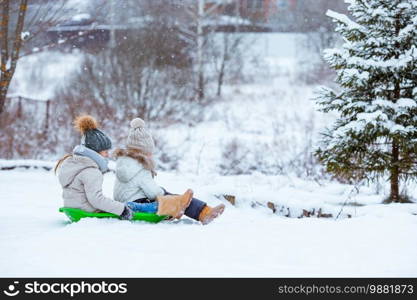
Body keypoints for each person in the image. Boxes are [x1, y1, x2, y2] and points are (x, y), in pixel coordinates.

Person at [55, 115, 189, 220]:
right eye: (105, 151)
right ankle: (174, 207)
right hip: (87, 211)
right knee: (154, 206)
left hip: (74, 207)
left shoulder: (76, 164)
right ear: (95, 151)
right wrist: (122, 210)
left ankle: (176, 205)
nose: (107, 154)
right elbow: (96, 200)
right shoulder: (91, 171)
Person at [113, 117, 225, 225]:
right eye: (149, 152)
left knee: (177, 198)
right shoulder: (141, 166)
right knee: (176, 198)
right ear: (142, 152)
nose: (151, 155)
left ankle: (202, 211)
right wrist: (165, 193)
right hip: (139, 204)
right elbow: (154, 193)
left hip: (124, 203)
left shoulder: (124, 162)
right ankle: (203, 212)